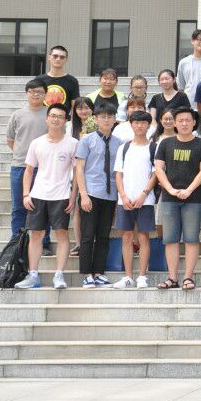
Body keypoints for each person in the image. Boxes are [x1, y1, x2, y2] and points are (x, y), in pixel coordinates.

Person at [16, 104, 76, 289]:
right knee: (36, 235)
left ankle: (59, 275)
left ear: (65, 121)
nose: (56, 119)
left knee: (62, 234)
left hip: (62, 195)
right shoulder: (37, 142)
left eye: (60, 116)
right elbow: (28, 170)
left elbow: (78, 173)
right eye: (53, 116)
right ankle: (33, 275)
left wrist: (73, 197)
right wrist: (26, 194)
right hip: (38, 195)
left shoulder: (73, 143)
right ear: (47, 118)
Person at [153, 108, 201, 291]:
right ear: (175, 123)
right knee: (170, 239)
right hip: (169, 198)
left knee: (191, 238)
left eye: (187, 120)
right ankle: (172, 278)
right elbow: (159, 169)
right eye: (180, 120)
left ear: (194, 122)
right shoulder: (166, 143)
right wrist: (170, 189)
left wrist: (189, 190)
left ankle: (188, 277)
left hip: (194, 198)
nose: (184, 123)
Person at [72, 103, 121, 287]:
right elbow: (79, 168)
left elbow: (118, 171)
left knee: (103, 236)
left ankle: (99, 273)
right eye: (103, 116)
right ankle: (87, 274)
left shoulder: (119, 143)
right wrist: (83, 195)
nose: (106, 120)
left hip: (110, 194)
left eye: (110, 116)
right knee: (87, 235)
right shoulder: (87, 140)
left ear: (115, 119)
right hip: (91, 193)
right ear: (96, 119)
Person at [112, 110, 157, 288]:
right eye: (136, 122)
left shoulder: (153, 147)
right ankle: (128, 276)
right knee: (126, 237)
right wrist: (123, 195)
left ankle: (142, 276)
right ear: (131, 124)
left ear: (148, 125)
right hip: (125, 200)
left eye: (143, 123)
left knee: (144, 236)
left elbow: (155, 174)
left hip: (146, 199)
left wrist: (143, 194)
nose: (139, 126)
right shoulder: (124, 148)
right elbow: (118, 174)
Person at [7, 79, 50, 238]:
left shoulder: (51, 114)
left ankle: (44, 242)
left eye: (39, 92)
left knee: (43, 206)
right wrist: (24, 155)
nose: (36, 95)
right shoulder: (17, 115)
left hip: (44, 167)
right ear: (26, 94)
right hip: (20, 166)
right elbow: (10, 140)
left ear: (45, 94)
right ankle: (16, 242)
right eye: (32, 91)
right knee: (18, 207)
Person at [176, 28, 201, 100]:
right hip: (188, 103)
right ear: (192, 41)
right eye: (199, 40)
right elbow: (180, 87)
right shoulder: (184, 62)